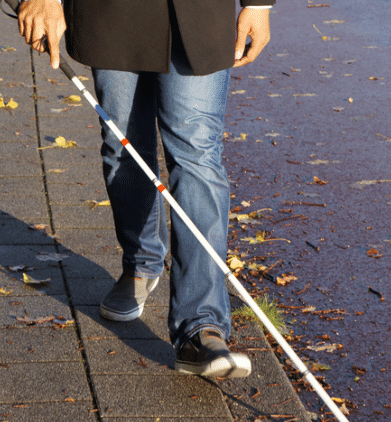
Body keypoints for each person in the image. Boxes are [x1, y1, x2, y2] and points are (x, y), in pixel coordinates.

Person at [18, 0, 273, 378]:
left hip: (199, 14)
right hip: (113, 13)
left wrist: (258, 4)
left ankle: (200, 326)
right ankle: (141, 261)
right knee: (124, 148)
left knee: (198, 157)